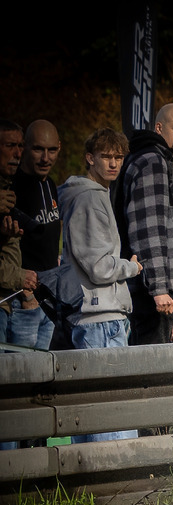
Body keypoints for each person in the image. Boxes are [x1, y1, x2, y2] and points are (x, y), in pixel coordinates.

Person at [57, 128, 143, 441]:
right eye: (106, 157)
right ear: (89, 159)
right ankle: (120, 480)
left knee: (95, 408)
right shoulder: (90, 199)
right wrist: (131, 267)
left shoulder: (92, 195)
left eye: (118, 157)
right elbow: (99, 266)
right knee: (112, 409)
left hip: (96, 314)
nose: (113, 163)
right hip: (100, 316)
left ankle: (95, 480)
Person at [115, 102, 173, 345]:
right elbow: (149, 230)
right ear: (159, 127)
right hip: (157, 295)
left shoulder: (155, 158)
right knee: (159, 372)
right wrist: (159, 288)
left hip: (161, 290)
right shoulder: (153, 161)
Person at [11, 119, 62, 349]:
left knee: (43, 376)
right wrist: (25, 296)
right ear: (24, 147)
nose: (45, 158)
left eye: (51, 150)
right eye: (38, 149)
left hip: (48, 299)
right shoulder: (12, 188)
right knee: (21, 374)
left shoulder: (50, 184)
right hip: (22, 302)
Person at [0, 120, 37, 345]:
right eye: (9, 145)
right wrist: (18, 277)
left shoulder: (8, 186)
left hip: (7, 302)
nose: (17, 153)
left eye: (21, 146)